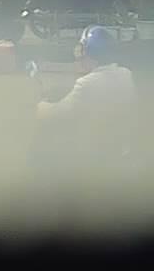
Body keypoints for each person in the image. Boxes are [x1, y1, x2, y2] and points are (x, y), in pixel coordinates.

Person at [32, 25, 138, 177]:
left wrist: (41, 105)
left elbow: (57, 113)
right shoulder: (126, 74)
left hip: (94, 156)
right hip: (120, 148)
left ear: (89, 53)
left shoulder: (86, 83)